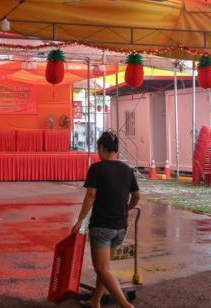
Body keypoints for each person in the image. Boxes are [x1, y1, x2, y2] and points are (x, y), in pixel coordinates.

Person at [71, 131, 140, 308]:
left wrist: (79, 222)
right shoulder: (127, 170)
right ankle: (95, 301)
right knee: (105, 267)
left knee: (101, 269)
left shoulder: (97, 168)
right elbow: (136, 196)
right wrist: (127, 208)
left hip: (102, 227)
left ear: (102, 148)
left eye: (98, 148)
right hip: (120, 228)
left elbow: (90, 196)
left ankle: (126, 305)